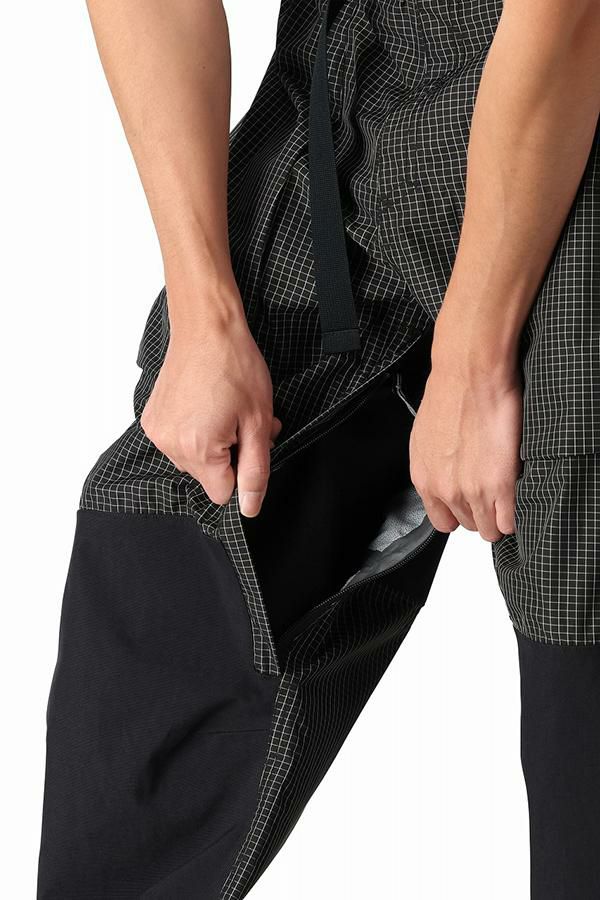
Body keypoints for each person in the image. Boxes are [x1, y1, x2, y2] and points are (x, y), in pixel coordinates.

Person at [37, 0, 600, 897]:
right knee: (172, 535)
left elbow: (566, 22)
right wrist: (205, 312)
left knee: (583, 605)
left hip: (573, 87)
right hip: (363, 63)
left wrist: (471, 356)